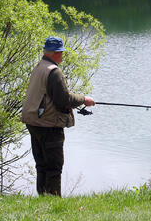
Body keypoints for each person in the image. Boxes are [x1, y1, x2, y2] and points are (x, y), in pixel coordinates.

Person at [21, 36, 95, 197]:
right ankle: (53, 202)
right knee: (54, 167)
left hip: (34, 123)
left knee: (41, 165)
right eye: (61, 52)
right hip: (49, 125)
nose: (62, 55)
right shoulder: (54, 72)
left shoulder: (39, 67)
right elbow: (64, 100)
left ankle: (43, 200)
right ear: (55, 53)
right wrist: (84, 100)